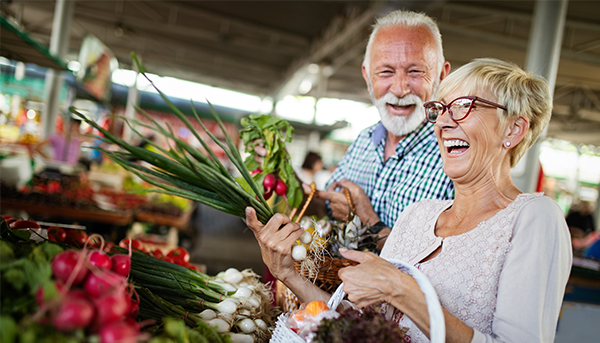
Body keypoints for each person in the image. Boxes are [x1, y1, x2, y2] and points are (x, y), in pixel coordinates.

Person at [245, 58, 572, 342]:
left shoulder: (534, 218)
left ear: (513, 130)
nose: (443, 123)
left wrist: (402, 290)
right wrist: (288, 274)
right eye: (440, 109)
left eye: (463, 106)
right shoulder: (417, 215)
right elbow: (363, 328)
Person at [306, 10, 454, 244]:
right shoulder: (365, 139)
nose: (399, 89)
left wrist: (366, 218)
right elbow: (326, 209)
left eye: (415, 71)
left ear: (442, 75)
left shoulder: (454, 155)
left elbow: (442, 266)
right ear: (367, 77)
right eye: (386, 72)